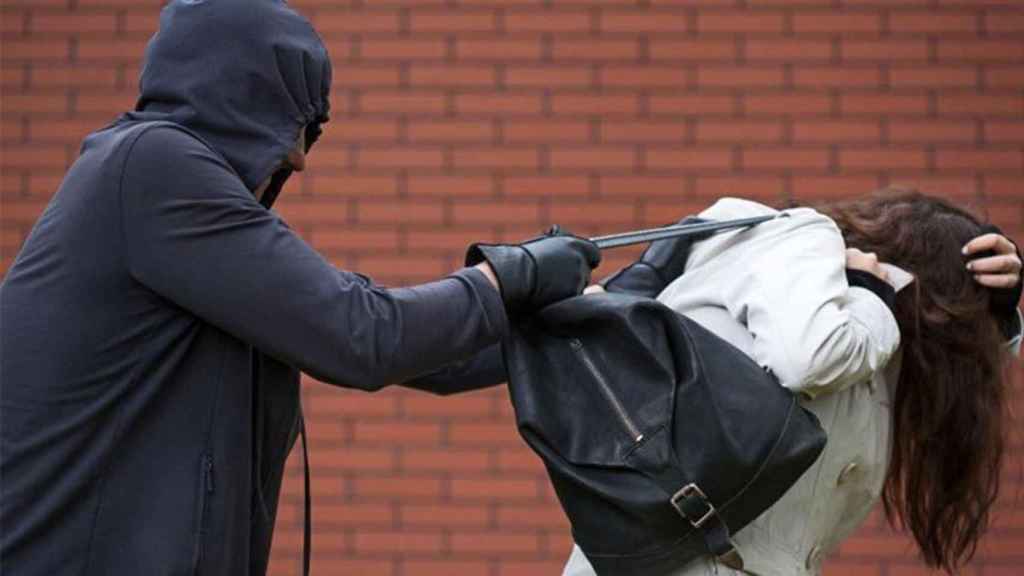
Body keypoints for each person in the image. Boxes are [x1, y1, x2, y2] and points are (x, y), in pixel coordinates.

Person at [0, 2, 600, 575]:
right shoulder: (153, 167)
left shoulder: (178, 213)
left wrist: (605, 310)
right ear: (238, 102)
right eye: (291, 126)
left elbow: (422, 356)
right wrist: (512, 274)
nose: (300, 159)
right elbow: (362, 336)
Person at [562, 189, 1022, 576]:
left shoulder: (871, 341)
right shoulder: (803, 248)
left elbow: (951, 377)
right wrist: (872, 289)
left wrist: (1000, 314)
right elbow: (810, 361)